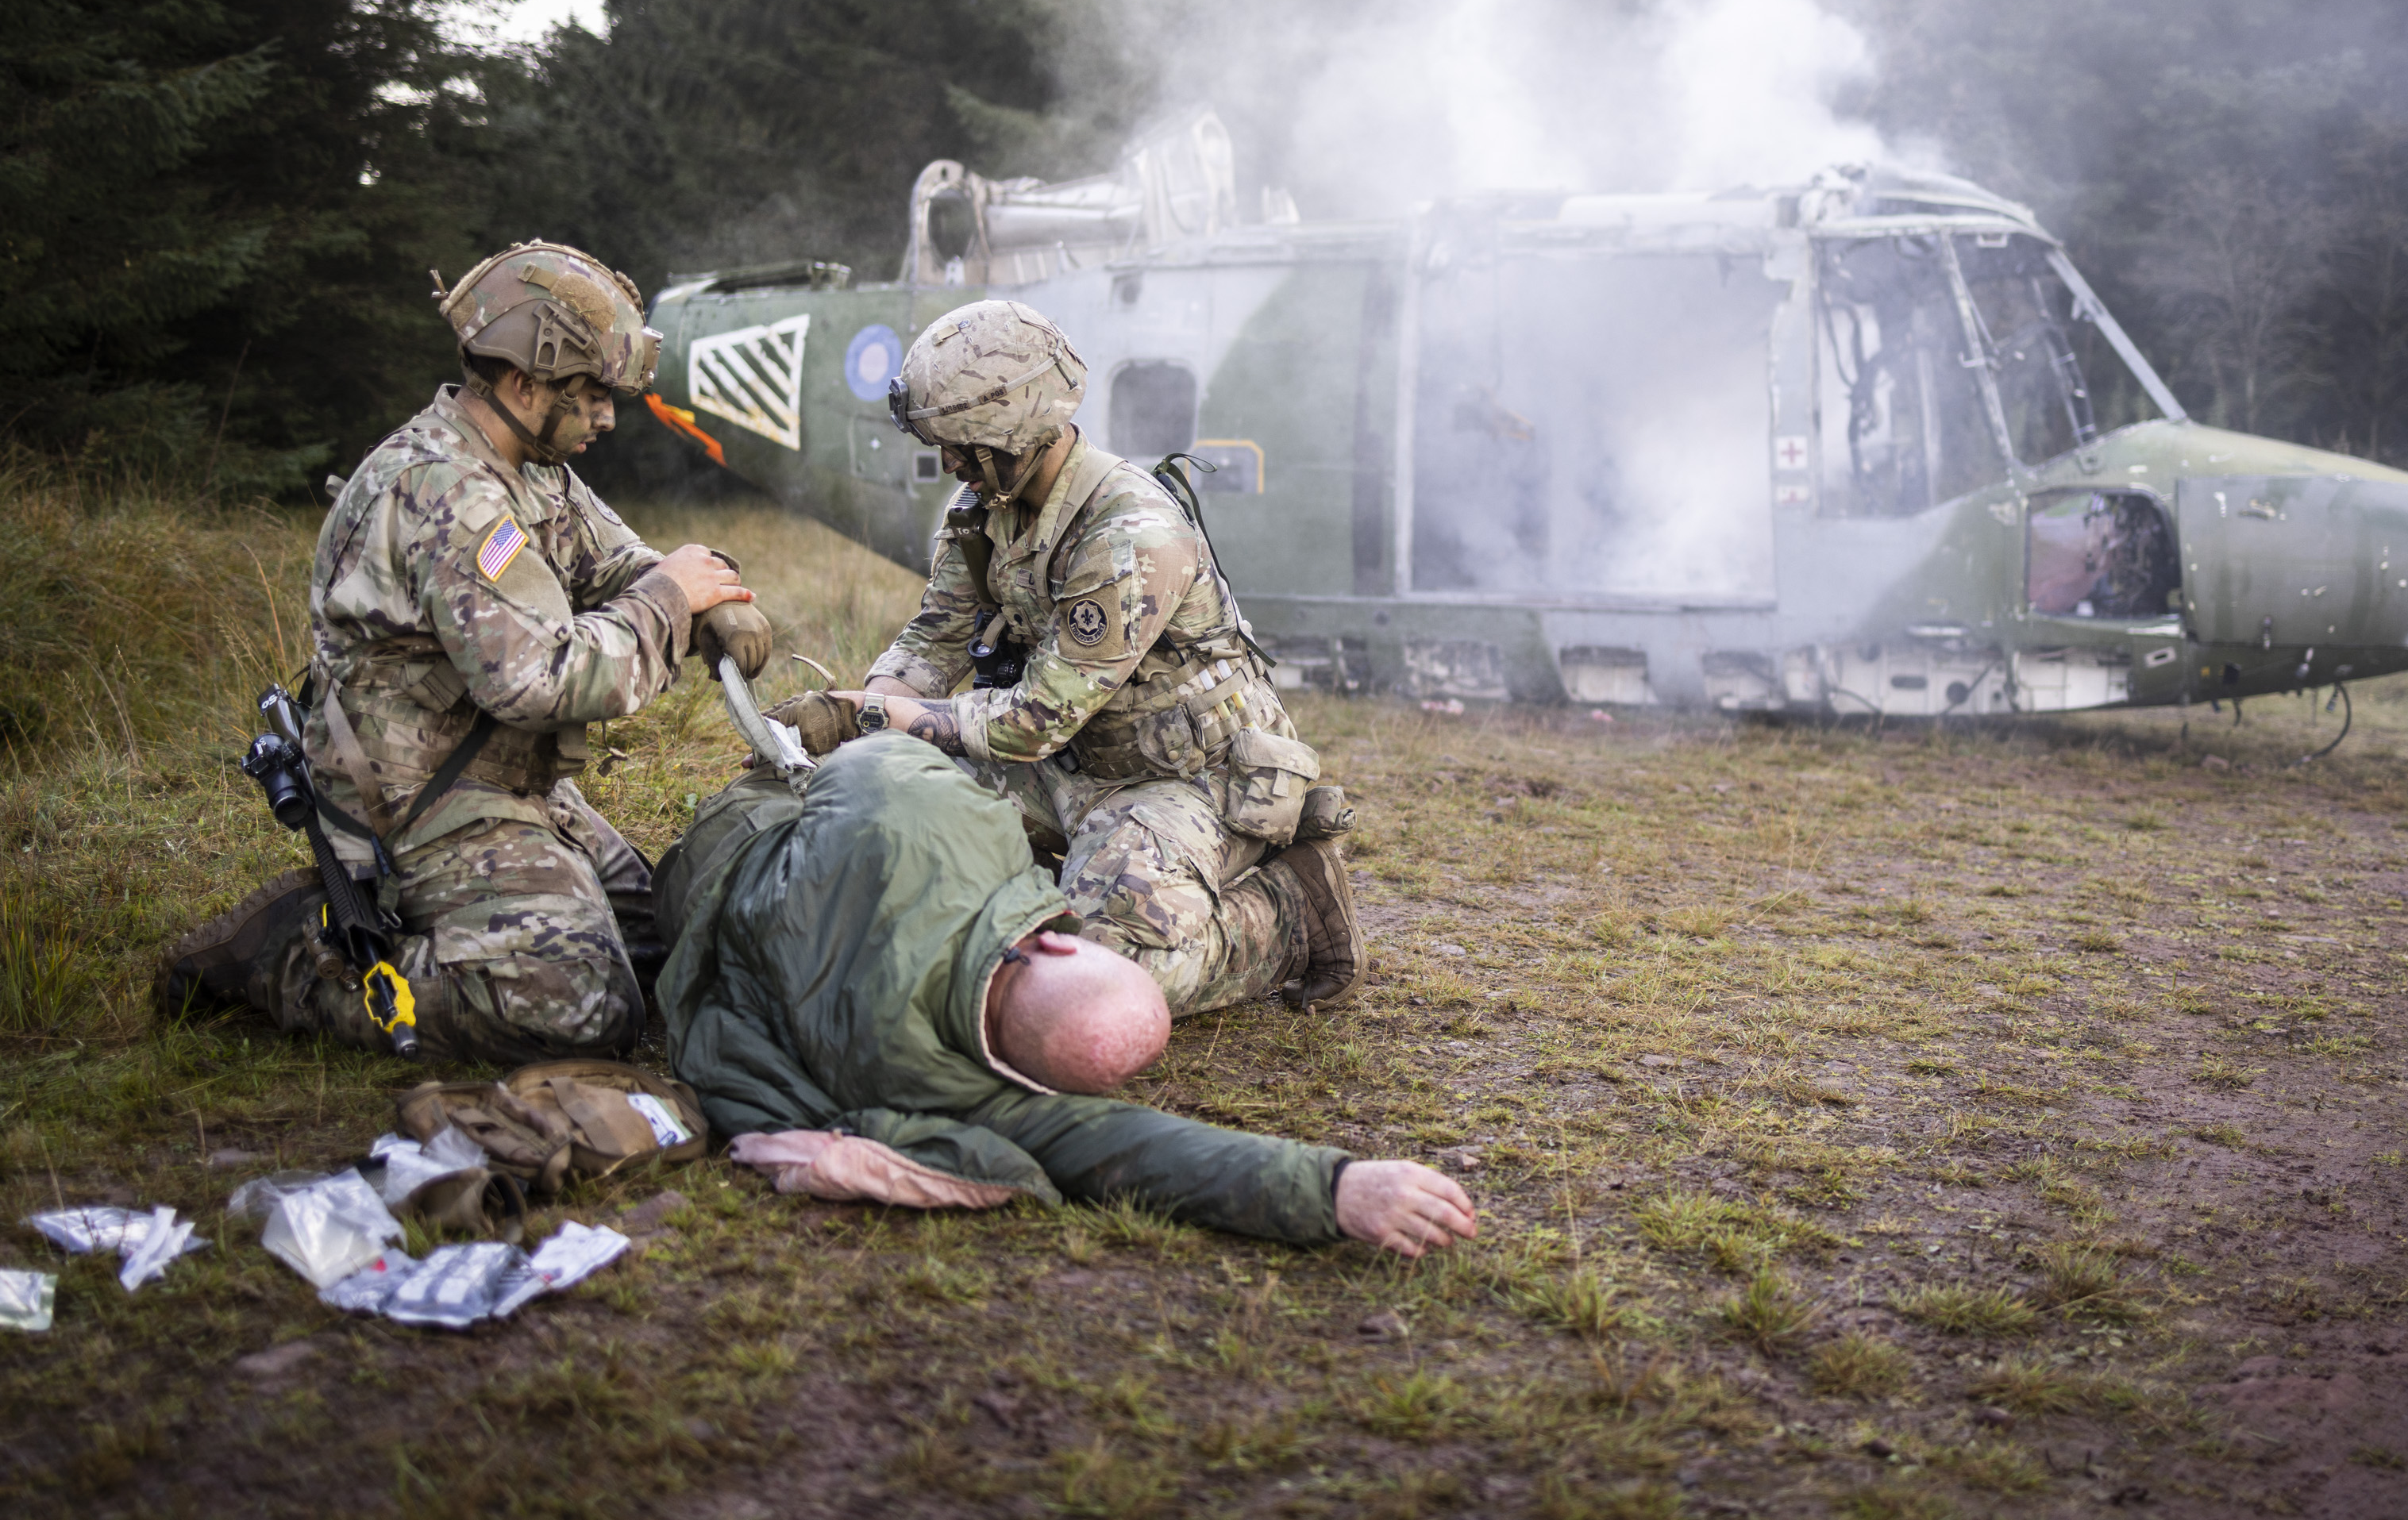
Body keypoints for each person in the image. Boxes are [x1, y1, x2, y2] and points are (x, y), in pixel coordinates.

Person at [156, 241, 772, 1062]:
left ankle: (452, 922)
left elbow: (617, 562)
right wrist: (670, 602)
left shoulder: (532, 464)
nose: (607, 417)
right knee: (580, 1006)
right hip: (419, 802)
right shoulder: (448, 495)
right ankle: (296, 955)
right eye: (589, 394)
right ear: (523, 383)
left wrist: (710, 599)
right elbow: (541, 679)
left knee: (663, 953)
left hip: (503, 778)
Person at [656, 732, 1474, 1253]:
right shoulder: (948, 1098)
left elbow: (866, 759)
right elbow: (1139, 1148)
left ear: (1050, 935)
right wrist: (1333, 1188)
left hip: (723, 841)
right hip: (690, 892)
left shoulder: (950, 822)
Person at [769, 299, 1362, 1018]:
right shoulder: (982, 510)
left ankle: (1290, 911)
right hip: (1064, 765)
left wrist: (866, 715)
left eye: (956, 442)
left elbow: (1030, 721)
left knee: (1101, 974)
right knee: (888, 818)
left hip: (1181, 778)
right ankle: (1061, 888)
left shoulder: (1131, 536)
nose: (947, 460)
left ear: (1010, 427)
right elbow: (936, 636)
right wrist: (867, 742)